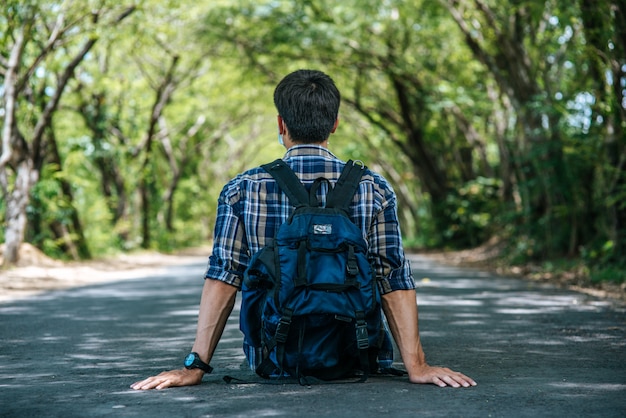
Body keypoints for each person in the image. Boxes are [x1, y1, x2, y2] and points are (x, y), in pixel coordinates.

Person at [131, 69, 476, 390]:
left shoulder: (243, 188)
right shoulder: (374, 187)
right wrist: (417, 366)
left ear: (281, 124)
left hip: (275, 359)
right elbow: (392, 278)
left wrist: (195, 365)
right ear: (334, 124)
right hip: (358, 356)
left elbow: (224, 277)